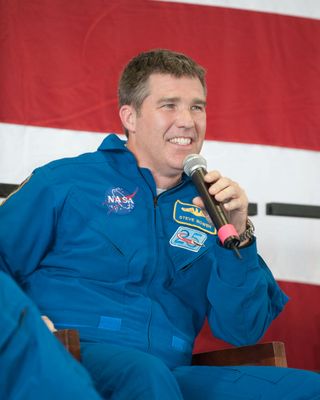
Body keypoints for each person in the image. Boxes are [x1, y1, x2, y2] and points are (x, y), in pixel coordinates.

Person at [0, 49, 319, 399]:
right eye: (169, 105)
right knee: (146, 375)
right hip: (72, 358)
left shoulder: (211, 205)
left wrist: (238, 236)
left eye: (197, 107)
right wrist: (24, 326)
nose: (187, 121)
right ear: (130, 116)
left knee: (306, 389)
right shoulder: (65, 182)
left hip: (171, 372)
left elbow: (242, 330)